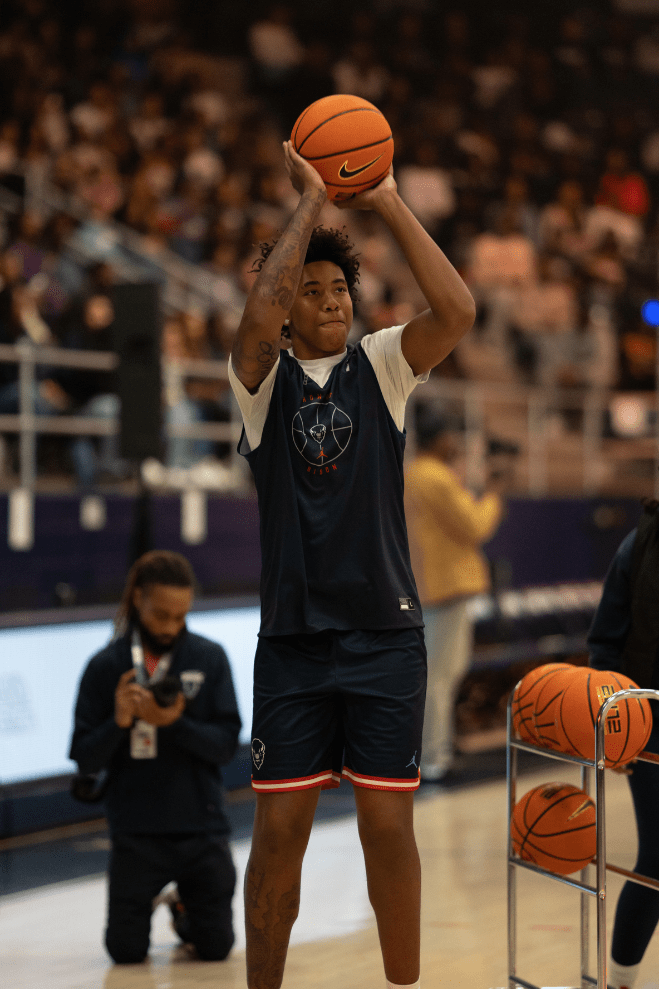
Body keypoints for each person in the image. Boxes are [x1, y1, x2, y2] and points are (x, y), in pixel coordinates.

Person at [229, 140, 475, 989]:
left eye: (340, 288)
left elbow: (458, 311)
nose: (329, 298)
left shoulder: (381, 365)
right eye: (311, 287)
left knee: (385, 827)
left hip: (382, 636)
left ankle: (402, 984)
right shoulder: (260, 383)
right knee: (276, 839)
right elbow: (255, 321)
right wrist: (310, 204)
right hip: (293, 644)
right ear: (288, 302)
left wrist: (387, 201)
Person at [69, 550, 241, 965]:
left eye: (180, 617)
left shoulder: (208, 657)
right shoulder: (104, 667)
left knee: (216, 948)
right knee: (125, 953)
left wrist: (174, 723)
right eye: (161, 615)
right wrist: (120, 721)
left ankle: (183, 906)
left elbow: (225, 746)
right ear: (136, 600)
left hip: (201, 827)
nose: (171, 627)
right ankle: (149, 896)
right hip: (137, 831)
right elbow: (83, 757)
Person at [405, 408, 504, 782]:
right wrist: (493, 495)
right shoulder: (434, 477)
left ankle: (433, 753)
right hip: (443, 589)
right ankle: (433, 758)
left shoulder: (415, 474)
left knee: (437, 676)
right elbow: (475, 525)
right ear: (443, 439)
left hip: (431, 588)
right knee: (439, 679)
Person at [588, 499, 659, 989]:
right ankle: (620, 981)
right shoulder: (639, 544)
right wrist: (612, 729)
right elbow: (604, 643)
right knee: (658, 856)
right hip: (650, 723)